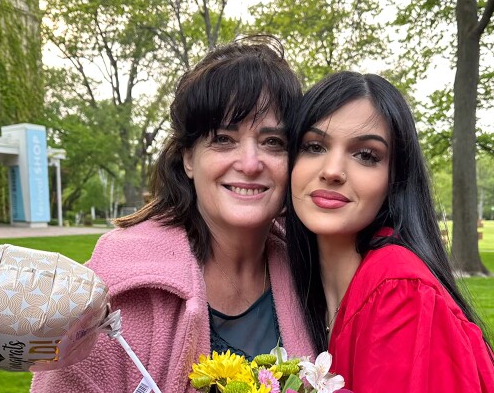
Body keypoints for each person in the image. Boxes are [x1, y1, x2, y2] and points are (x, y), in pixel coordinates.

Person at [31, 36, 315, 393]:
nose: (250, 163)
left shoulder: (313, 274)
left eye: (273, 142)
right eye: (223, 139)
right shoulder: (113, 294)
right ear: (187, 159)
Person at [285, 71, 494, 392]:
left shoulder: (400, 294)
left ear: (395, 179)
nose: (332, 171)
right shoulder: (302, 290)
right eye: (314, 146)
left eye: (365, 155)